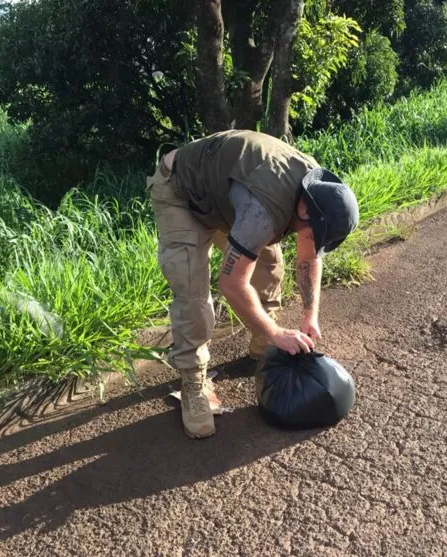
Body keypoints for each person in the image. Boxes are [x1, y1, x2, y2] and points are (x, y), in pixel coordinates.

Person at [147, 130, 359, 439]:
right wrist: (277, 332)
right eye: (314, 233)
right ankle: (194, 382)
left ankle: (264, 346)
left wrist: (309, 313)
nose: (312, 241)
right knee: (193, 294)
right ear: (303, 209)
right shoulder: (265, 211)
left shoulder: (317, 191)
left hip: (228, 196)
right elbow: (231, 284)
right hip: (181, 190)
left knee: (268, 264)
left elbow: (309, 257)